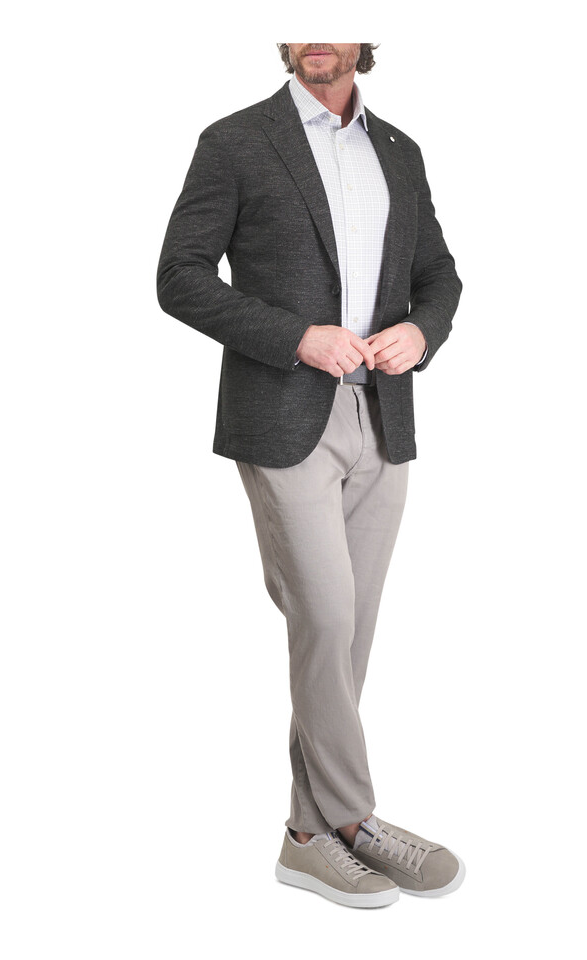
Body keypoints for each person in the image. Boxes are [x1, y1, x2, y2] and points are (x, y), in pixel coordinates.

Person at [157, 42, 464, 909]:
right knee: (324, 616)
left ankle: (307, 836)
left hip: (384, 416)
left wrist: (423, 332)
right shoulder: (235, 141)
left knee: (350, 632)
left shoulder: (398, 150)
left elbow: (438, 274)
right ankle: (356, 821)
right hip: (284, 416)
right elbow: (179, 277)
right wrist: (295, 336)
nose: (317, 34)